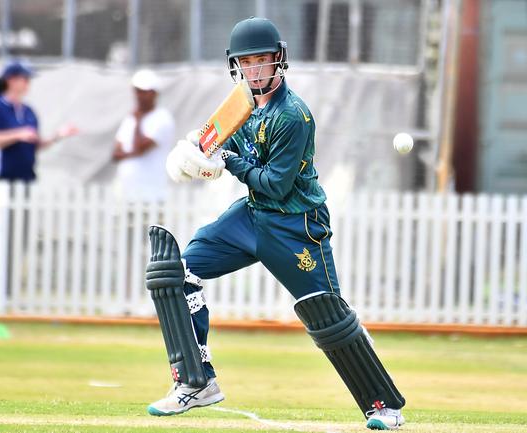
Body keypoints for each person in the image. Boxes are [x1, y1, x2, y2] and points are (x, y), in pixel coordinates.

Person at [146, 17, 406, 430]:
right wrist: (194, 150)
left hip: (296, 225)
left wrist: (227, 162)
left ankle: (383, 408)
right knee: (178, 273)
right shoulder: (239, 103)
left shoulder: (292, 116)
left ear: (278, 61)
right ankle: (197, 382)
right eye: (246, 63)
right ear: (236, 67)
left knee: (328, 316)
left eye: (262, 61)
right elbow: (214, 140)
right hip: (252, 216)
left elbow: (276, 185)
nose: (254, 71)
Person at [0, 61, 78, 182]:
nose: (28, 84)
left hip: (26, 179)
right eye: (25, 79)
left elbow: (34, 145)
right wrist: (18, 134)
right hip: (0, 179)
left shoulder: (29, 111)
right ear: (11, 80)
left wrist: (58, 136)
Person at [112, 69, 175, 202]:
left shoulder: (162, 118)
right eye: (137, 91)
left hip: (152, 196)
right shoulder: (130, 119)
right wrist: (133, 152)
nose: (139, 96)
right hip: (126, 194)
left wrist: (139, 122)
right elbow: (116, 154)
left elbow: (140, 147)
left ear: (154, 93)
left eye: (143, 92)